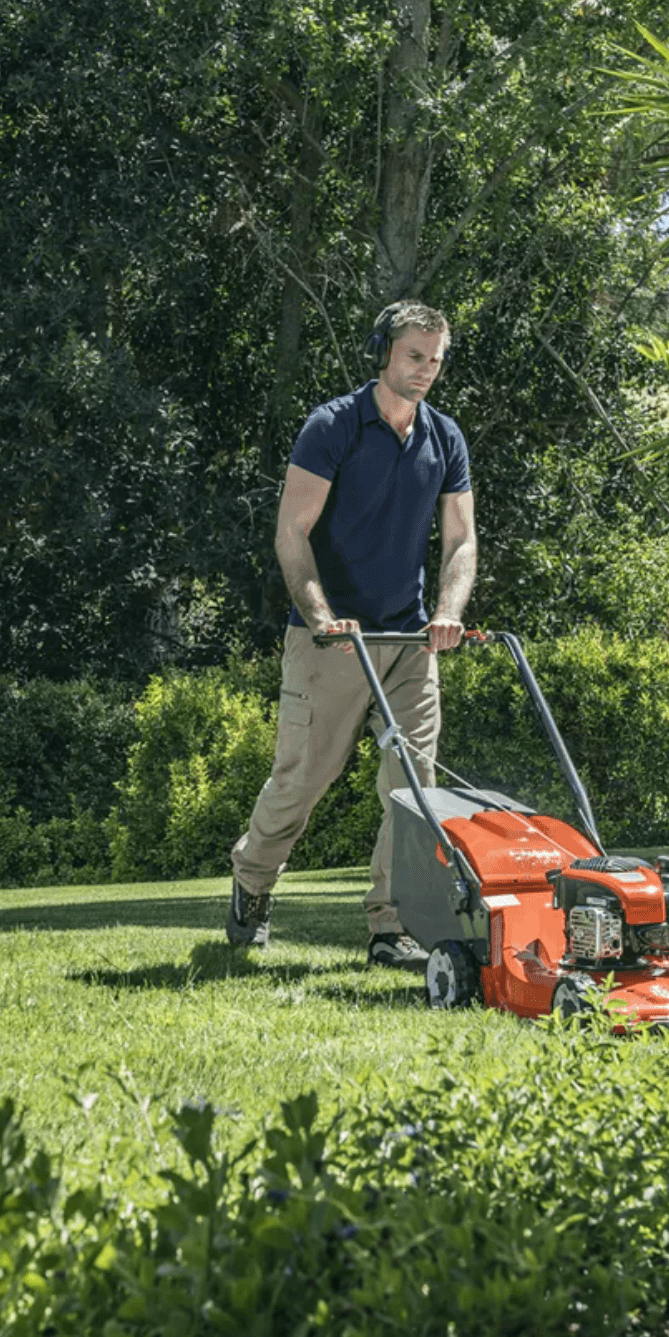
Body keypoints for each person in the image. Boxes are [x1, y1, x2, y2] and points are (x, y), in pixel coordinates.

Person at [226, 300, 476, 966]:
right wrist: (318, 615)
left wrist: (447, 611)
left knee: (414, 791)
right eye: (414, 356)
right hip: (331, 642)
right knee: (301, 781)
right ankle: (251, 882)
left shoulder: (444, 437)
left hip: (408, 645)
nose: (425, 370)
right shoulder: (333, 426)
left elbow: (460, 541)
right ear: (384, 352)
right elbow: (291, 532)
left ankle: (390, 928)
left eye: (436, 360)